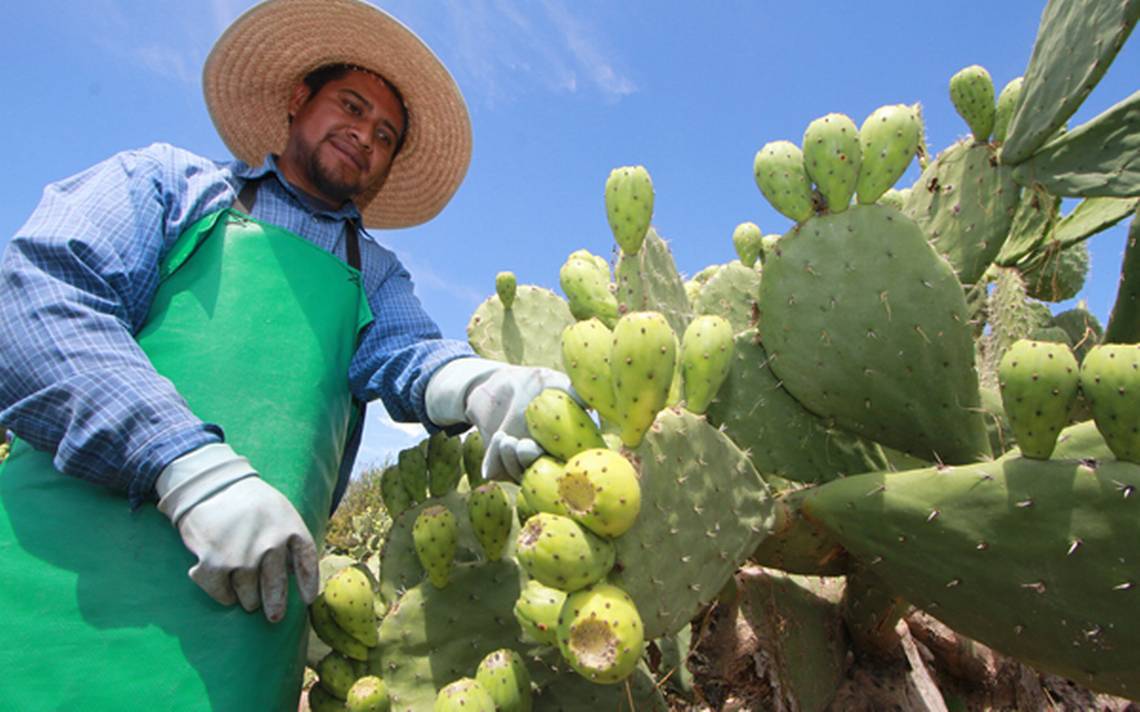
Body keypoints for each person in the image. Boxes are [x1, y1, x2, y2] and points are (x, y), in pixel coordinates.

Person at [0, 0, 571, 633]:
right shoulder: (170, 185)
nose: (366, 135)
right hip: (47, 593)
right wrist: (184, 467)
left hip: (254, 613)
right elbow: (37, 301)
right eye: (353, 106)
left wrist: (482, 385)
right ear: (299, 98)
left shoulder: (375, 272)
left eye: (386, 135)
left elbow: (408, 353)